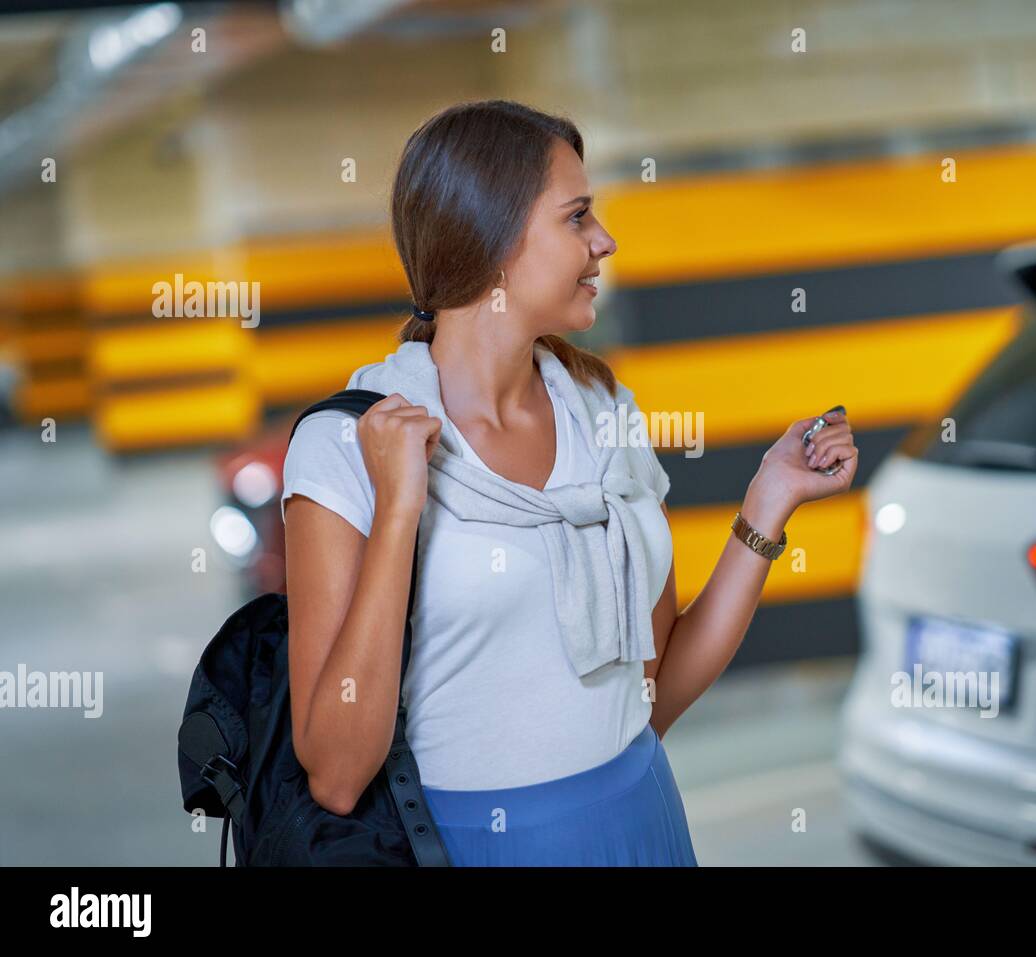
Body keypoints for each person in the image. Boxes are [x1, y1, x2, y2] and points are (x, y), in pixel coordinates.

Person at [280, 99, 859, 866]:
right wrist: (398, 511)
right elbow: (338, 775)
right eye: (577, 217)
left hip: (643, 822)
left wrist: (767, 502)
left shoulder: (602, 411)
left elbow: (654, 696)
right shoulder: (345, 445)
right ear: (491, 242)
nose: (604, 241)